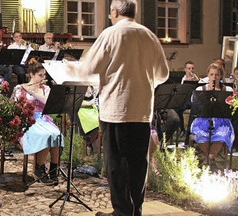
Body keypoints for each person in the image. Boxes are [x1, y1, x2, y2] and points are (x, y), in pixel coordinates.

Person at [67, 1, 169, 215]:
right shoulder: (149, 35)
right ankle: (135, 210)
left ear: (114, 12)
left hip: (116, 108)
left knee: (117, 165)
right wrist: (142, 82)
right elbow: (163, 74)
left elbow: (90, 68)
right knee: (138, 164)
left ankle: (122, 212)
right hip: (141, 111)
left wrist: (71, 69)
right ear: (135, 11)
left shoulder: (111, 34)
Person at [15, 64, 63, 185]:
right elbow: (16, 106)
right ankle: (39, 168)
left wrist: (33, 91)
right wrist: (26, 90)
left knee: (57, 134)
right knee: (45, 135)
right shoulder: (20, 88)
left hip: (43, 118)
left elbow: (46, 102)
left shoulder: (45, 89)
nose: (42, 78)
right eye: (40, 75)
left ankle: (53, 169)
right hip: (28, 119)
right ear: (31, 74)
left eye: (44, 75)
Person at [190, 64, 234, 166]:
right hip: (203, 119)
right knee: (199, 133)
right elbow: (194, 105)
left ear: (221, 76)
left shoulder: (228, 90)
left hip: (222, 120)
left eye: (217, 75)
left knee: (223, 134)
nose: (214, 77)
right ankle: (211, 161)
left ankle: (209, 159)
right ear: (208, 75)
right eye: (212, 74)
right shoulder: (200, 90)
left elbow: (231, 108)